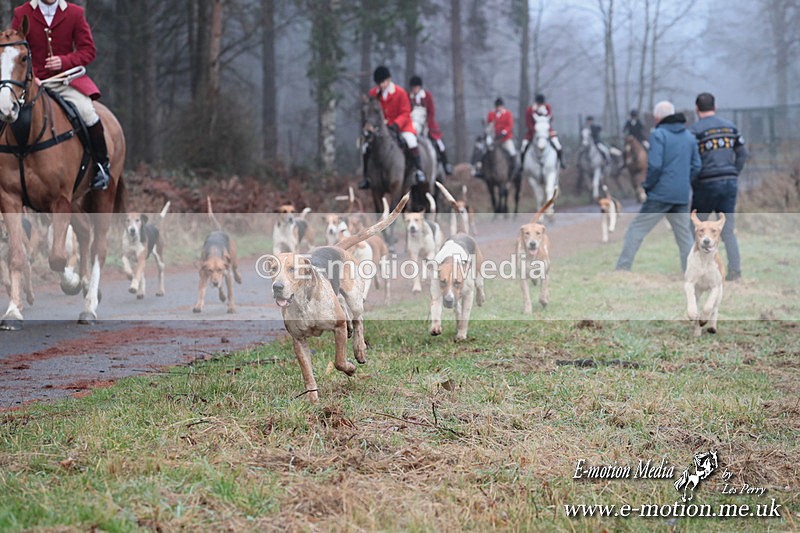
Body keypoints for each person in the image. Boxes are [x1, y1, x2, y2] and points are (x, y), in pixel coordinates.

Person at [12, 0, 111, 190]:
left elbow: (88, 51)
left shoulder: (75, 13)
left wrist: (64, 61)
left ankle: (101, 166)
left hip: (65, 82)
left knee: (88, 113)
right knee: (6, 111)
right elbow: (14, 51)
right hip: (32, 84)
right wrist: (31, 76)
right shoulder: (21, 12)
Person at [615, 101, 701, 273]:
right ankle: (691, 272)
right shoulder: (689, 136)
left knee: (636, 229)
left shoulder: (658, 134)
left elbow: (655, 166)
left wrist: (647, 186)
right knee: (684, 236)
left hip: (660, 195)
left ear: (657, 117)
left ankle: (623, 268)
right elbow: (697, 166)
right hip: (681, 195)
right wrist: (683, 181)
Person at [689, 92, 748, 281]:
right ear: (715, 107)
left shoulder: (694, 131)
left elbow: (691, 159)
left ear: (696, 109)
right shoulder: (730, 127)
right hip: (729, 182)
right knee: (727, 229)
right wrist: (734, 171)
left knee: (697, 227)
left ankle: (697, 269)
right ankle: (735, 271)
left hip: (705, 184)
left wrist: (694, 179)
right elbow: (743, 153)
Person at [359, 66, 426, 190]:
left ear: (389, 79)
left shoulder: (400, 92)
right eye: (379, 83)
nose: (381, 85)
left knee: (411, 141)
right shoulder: (373, 93)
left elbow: (405, 112)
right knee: (366, 146)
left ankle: (418, 171)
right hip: (380, 128)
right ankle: (366, 177)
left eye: (383, 82)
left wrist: (396, 124)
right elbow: (370, 112)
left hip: (401, 127)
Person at [408, 75, 452, 176]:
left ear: (420, 87)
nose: (415, 89)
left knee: (440, 144)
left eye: (416, 87)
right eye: (413, 88)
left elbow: (431, 112)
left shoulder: (427, 96)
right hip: (412, 123)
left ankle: (446, 164)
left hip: (427, 123)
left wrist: (427, 125)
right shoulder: (408, 97)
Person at [521, 94, 566, 169]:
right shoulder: (530, 110)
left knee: (557, 145)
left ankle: (561, 161)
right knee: (523, 147)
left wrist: (545, 113)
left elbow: (551, 119)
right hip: (533, 133)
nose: (540, 105)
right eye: (539, 104)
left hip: (547, 131)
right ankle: (521, 165)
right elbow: (528, 123)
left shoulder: (547, 107)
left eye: (541, 103)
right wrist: (535, 130)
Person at [485, 97, 519, 180]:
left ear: (502, 106)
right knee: (485, 152)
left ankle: (515, 169)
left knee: (512, 152)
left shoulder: (508, 114)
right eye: (497, 107)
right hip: (494, 140)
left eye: (500, 106)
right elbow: (489, 125)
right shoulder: (491, 114)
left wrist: (504, 132)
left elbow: (510, 125)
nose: (498, 108)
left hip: (505, 139)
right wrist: (490, 132)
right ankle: (482, 169)